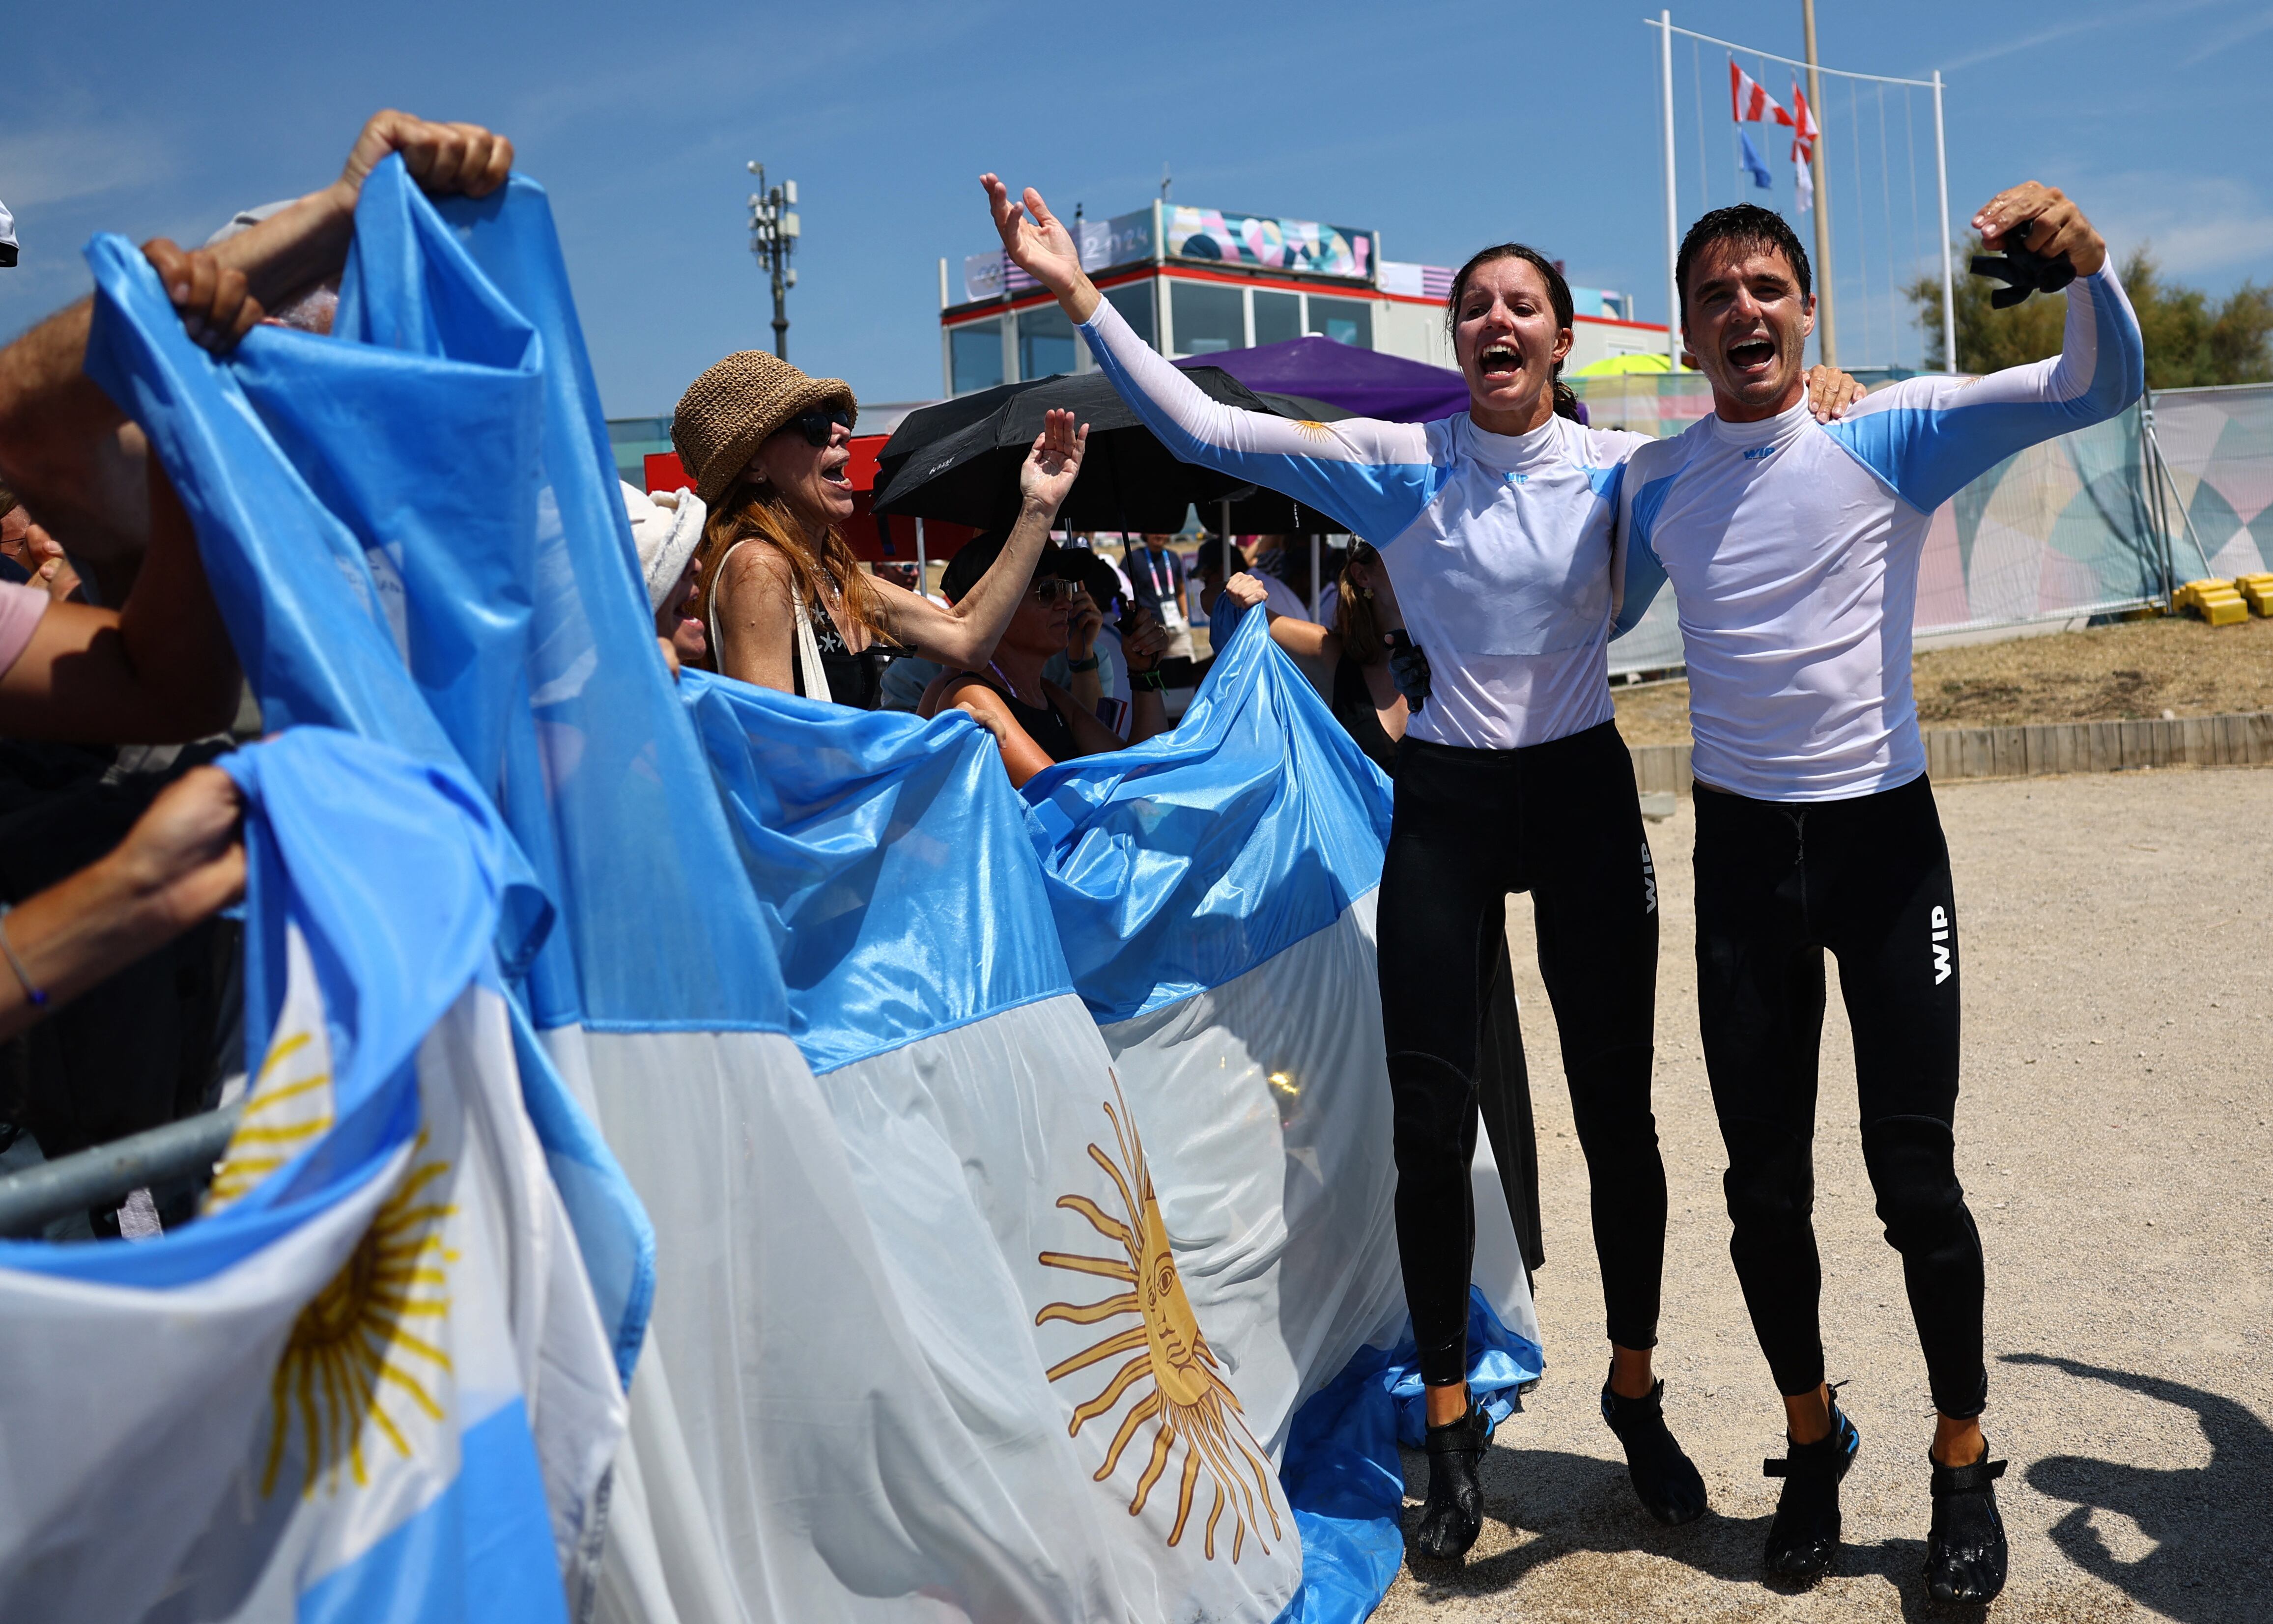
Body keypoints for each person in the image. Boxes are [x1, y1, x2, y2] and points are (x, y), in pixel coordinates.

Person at [984, 169, 1864, 1562]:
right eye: (1474, 307)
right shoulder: (1400, 466)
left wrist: (1832, 394)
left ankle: (1633, 1387)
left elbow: (1750, 455)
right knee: (1426, 1120)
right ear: (1457, 346)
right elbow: (1201, 421)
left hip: (1579, 795)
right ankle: (1448, 1417)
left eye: (1522, 304)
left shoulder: (1621, 480)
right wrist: (1077, 289)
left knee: (1615, 1121)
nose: (1496, 321)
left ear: (1562, 341)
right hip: (1448, 803)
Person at [1611, 189, 2142, 1602]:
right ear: (1686, 329)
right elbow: (1567, 609)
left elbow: (2101, 381)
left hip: (1884, 849)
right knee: (1763, 1194)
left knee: (1916, 1182)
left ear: (1805, 314)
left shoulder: (1883, 430)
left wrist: (2084, 272)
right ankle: (1814, 1441)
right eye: (1716, 292)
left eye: (1769, 287)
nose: (1744, 309)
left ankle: (1961, 1459)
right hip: (1742, 864)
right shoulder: (1651, 482)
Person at [672, 345, 1089, 709]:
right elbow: (775, 747)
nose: (841, 432)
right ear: (754, 466)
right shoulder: (758, 567)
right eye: (815, 428)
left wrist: (1038, 506)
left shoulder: (832, 576)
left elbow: (967, 639)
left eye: (835, 418)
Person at [917, 532, 1169, 785]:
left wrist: (1143, 674)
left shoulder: (1049, 695)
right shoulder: (971, 693)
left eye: (1065, 589)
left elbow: (1142, 771)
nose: (1066, 605)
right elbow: (1059, 797)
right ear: (995, 608)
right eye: (1048, 591)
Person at [1120, 532, 1195, 659]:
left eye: (1163, 532)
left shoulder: (1173, 557)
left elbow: (1181, 590)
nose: (1159, 536)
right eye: (1154, 532)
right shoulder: (1134, 558)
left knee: (1186, 665)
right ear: (1145, 535)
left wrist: (1186, 617)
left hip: (1177, 625)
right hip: (1150, 626)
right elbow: (1124, 590)